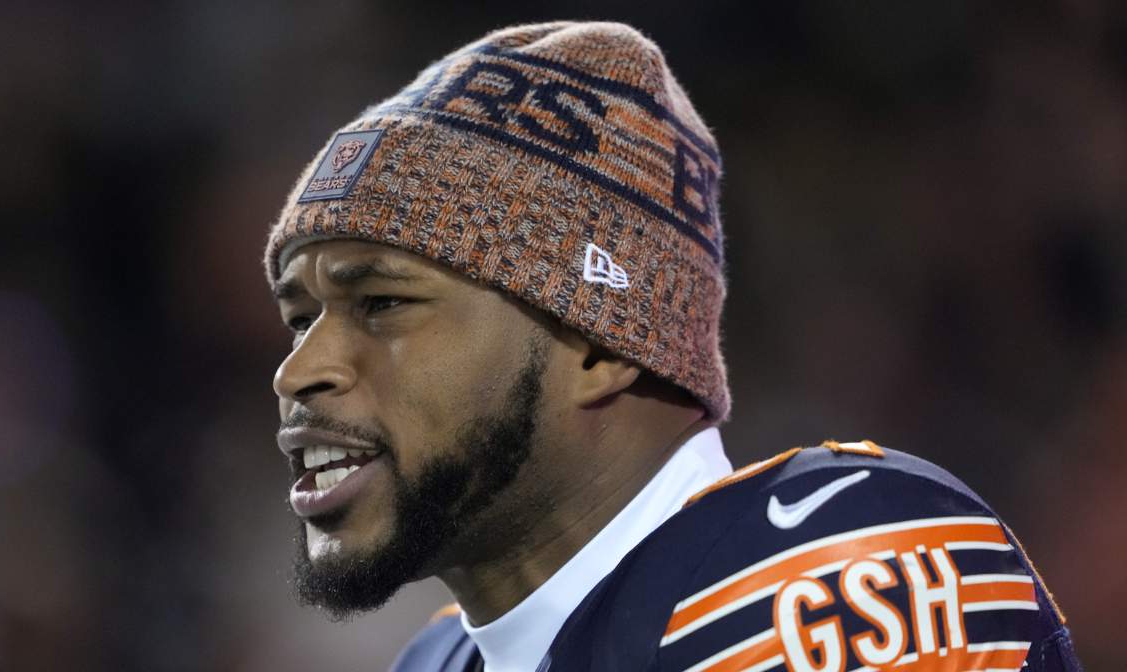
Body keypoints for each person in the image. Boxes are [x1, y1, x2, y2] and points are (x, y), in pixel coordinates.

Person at [264, 21, 1082, 672]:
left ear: (597, 341)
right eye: (302, 318)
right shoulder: (437, 656)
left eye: (382, 303)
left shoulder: (816, 580)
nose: (299, 371)